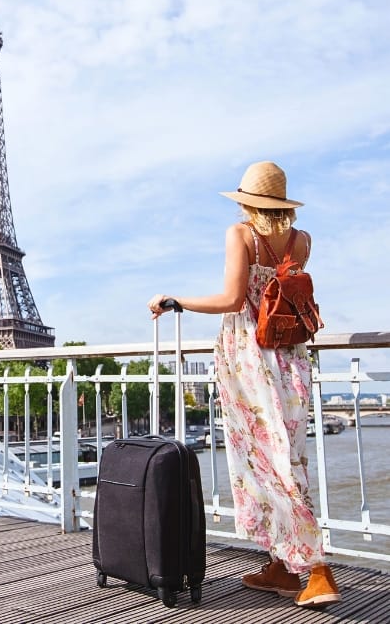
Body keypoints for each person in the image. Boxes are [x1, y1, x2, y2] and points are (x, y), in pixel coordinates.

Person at [148, 161, 341, 609]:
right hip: (290, 359)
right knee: (286, 460)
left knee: (265, 464)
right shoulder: (302, 240)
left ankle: (316, 569)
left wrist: (175, 300)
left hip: (251, 359)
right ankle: (282, 566)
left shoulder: (241, 235)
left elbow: (232, 299)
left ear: (246, 201)